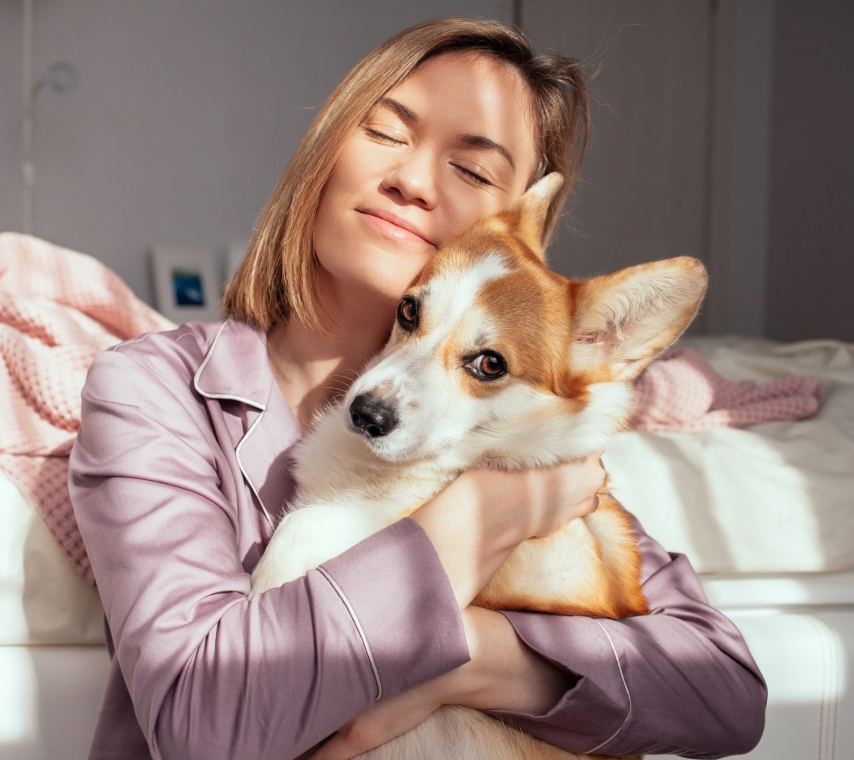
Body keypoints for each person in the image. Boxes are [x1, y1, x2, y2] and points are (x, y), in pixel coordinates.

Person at [69, 17, 766, 760]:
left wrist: (470, 660)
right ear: (327, 144)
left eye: (471, 170)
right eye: (385, 131)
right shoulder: (154, 389)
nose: (410, 180)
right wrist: (478, 518)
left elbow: (722, 692)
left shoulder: (518, 429)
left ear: (517, 230)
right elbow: (203, 721)